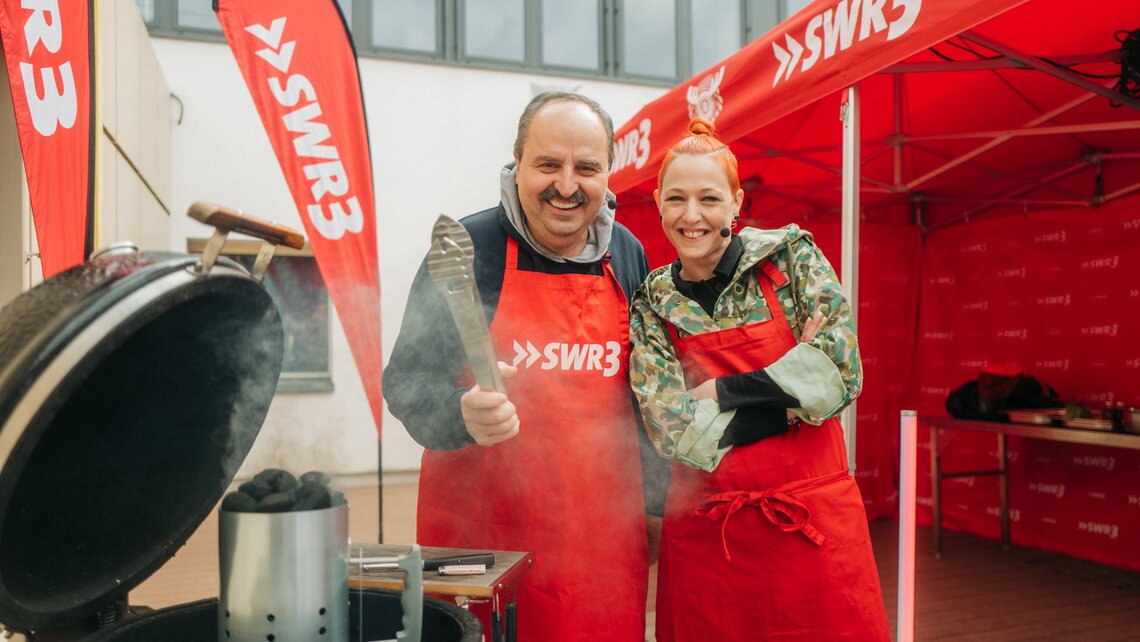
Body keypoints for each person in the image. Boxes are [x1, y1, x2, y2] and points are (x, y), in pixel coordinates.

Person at [383, 92, 666, 642]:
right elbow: (405, 379)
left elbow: (643, 400)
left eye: (586, 167)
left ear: (609, 172)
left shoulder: (629, 254)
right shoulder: (471, 247)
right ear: (517, 162)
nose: (566, 185)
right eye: (547, 165)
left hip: (600, 547)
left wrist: (654, 506)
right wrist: (457, 412)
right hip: (481, 545)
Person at [629, 118, 890, 641]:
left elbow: (841, 371)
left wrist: (722, 392)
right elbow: (670, 429)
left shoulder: (788, 257)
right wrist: (792, 392)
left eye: (709, 198)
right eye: (677, 199)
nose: (692, 215)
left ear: (736, 202)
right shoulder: (652, 302)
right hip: (708, 540)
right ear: (658, 202)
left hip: (809, 526)